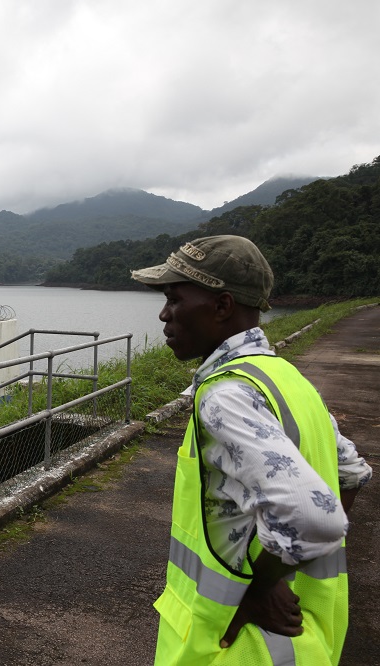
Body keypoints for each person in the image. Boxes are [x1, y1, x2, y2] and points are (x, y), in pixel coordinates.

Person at [130, 235, 372, 665]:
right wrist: (287, 566)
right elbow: (350, 474)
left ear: (222, 306)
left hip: (241, 647)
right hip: (308, 640)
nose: (164, 315)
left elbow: (316, 517)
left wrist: (259, 587)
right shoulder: (286, 378)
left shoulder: (226, 395)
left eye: (174, 299)